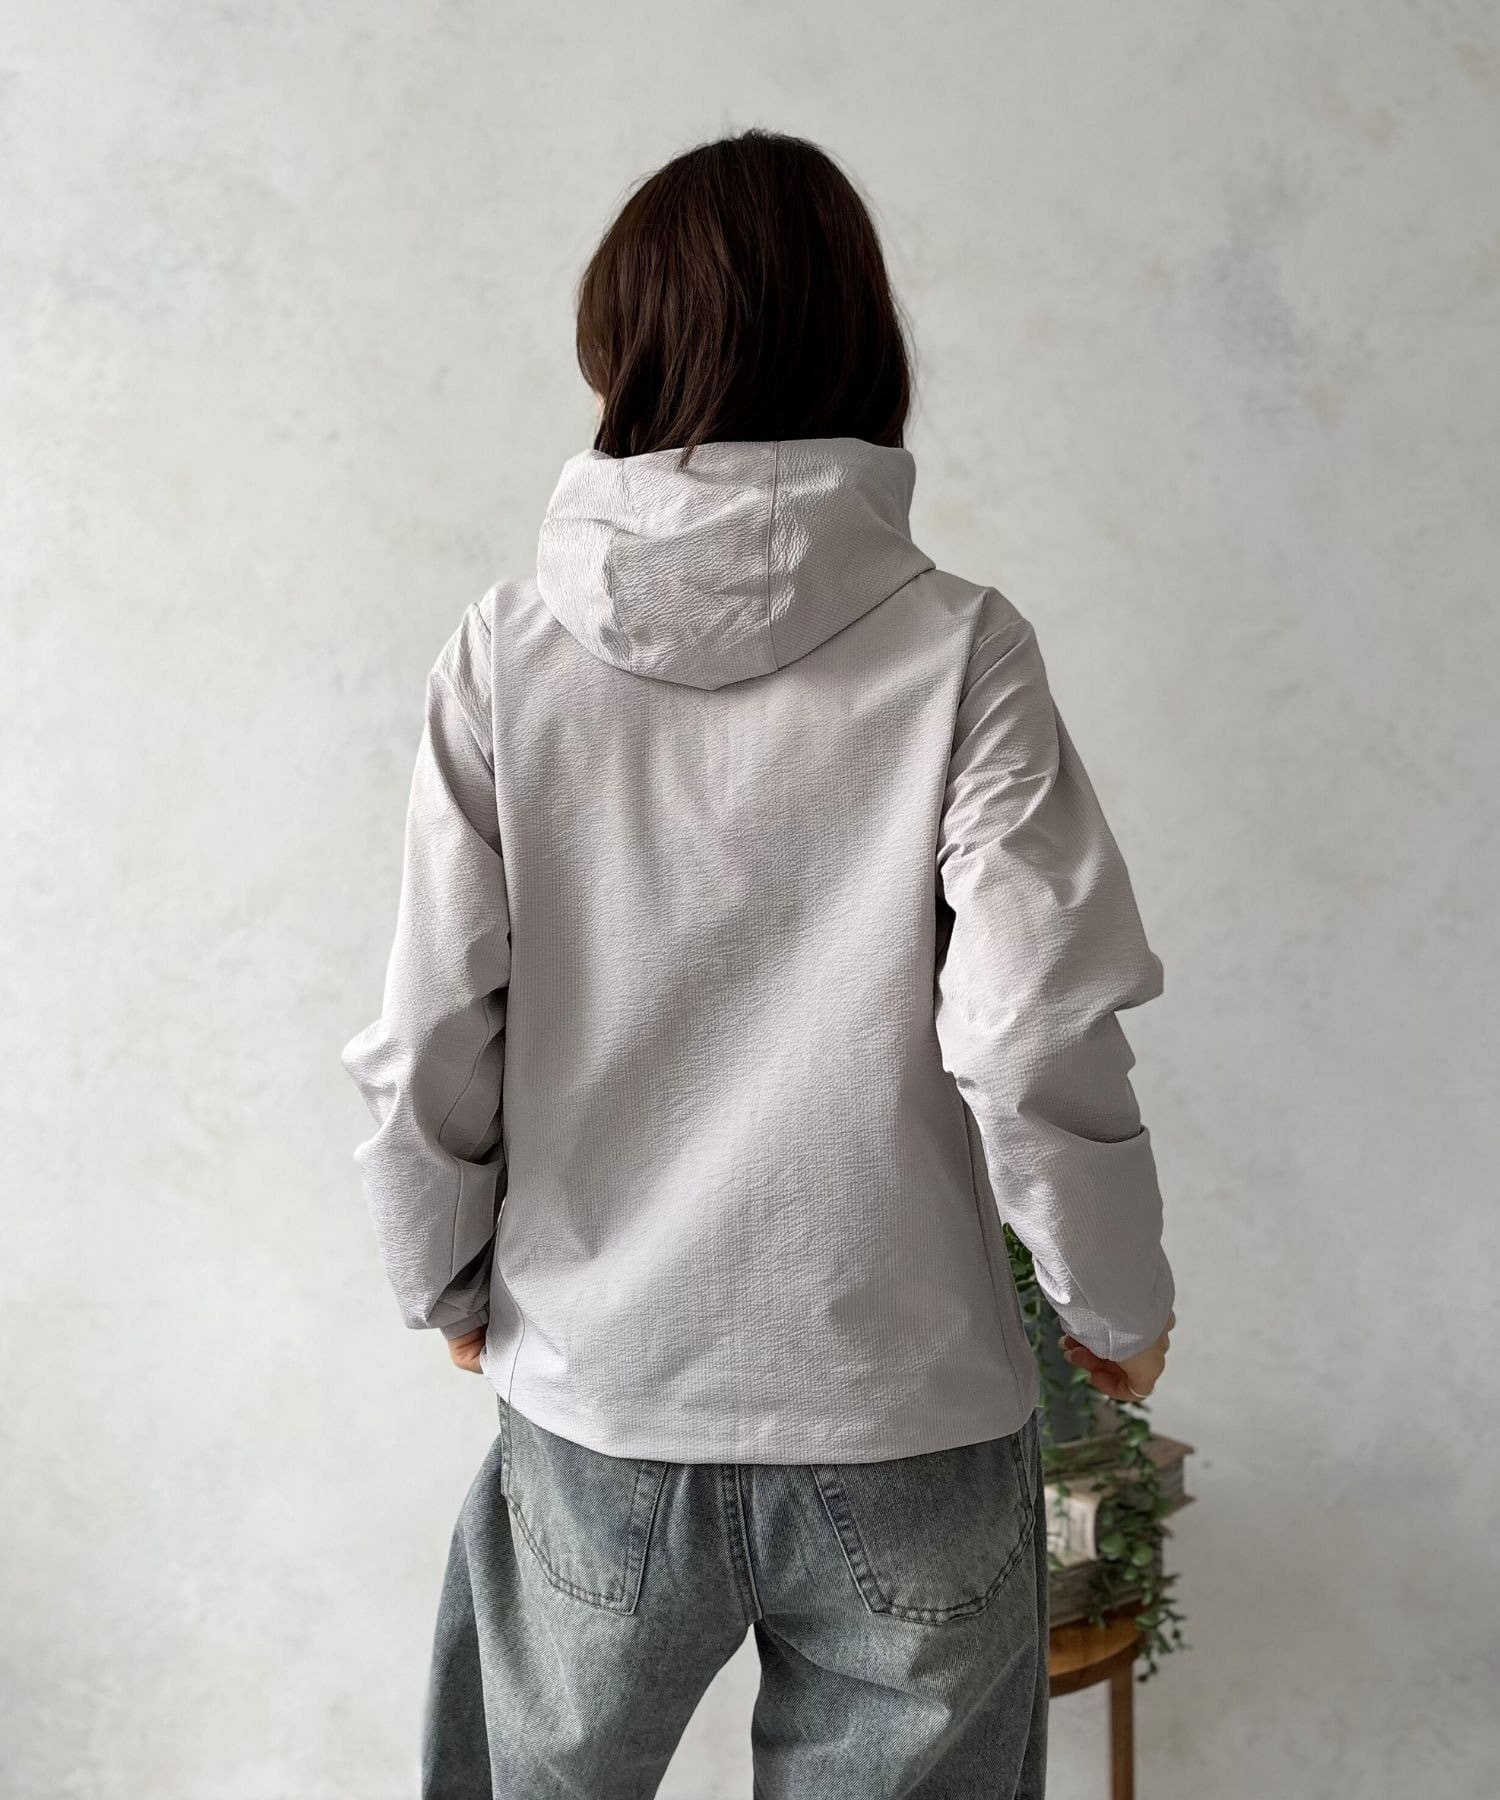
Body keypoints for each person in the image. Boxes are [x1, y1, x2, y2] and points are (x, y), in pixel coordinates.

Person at [341, 126, 1175, 1800]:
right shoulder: (964, 651)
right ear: (866, 346)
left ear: (623, 351)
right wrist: (1115, 1304)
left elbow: (434, 1023)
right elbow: (1027, 1031)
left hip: (603, 1390)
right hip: (905, 1403)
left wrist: (443, 1279)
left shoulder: (505, 656)